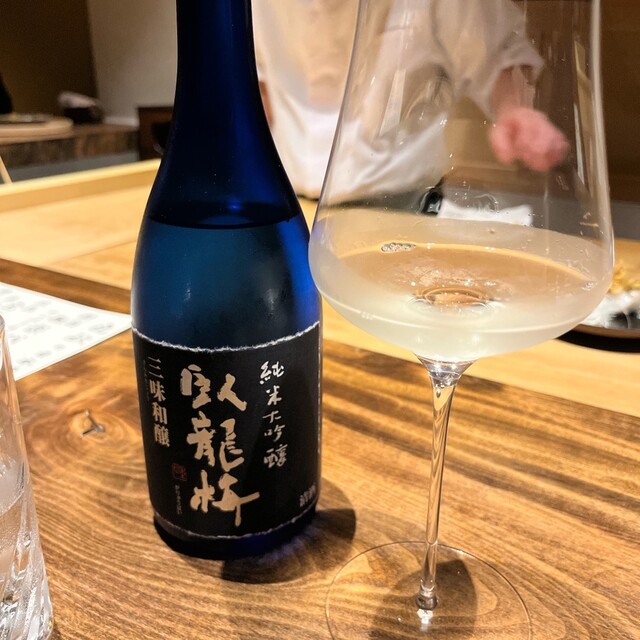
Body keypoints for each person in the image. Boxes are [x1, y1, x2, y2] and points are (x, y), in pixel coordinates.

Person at [253, 0, 568, 201]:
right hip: (286, 196)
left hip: (401, 201)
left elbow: (496, 51)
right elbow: (257, 79)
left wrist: (515, 109)